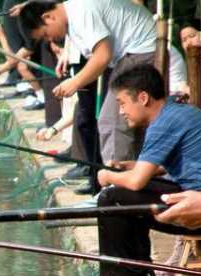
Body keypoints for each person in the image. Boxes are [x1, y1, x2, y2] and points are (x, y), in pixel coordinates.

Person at [91, 64, 201, 276]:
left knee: (112, 197)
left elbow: (137, 182)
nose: (121, 111)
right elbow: (157, 168)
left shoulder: (164, 123)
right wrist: (132, 167)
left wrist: (106, 176)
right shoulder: (176, 112)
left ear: (143, 97)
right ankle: (138, 273)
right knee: (121, 195)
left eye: (122, 103)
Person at [17, 0, 158, 164]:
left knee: (111, 121)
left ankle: (116, 182)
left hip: (141, 50)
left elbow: (102, 56)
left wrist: (75, 82)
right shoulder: (75, 16)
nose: (50, 39)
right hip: (134, 52)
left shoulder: (80, 13)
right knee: (127, 119)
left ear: (48, 17)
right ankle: (131, 176)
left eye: (46, 34)